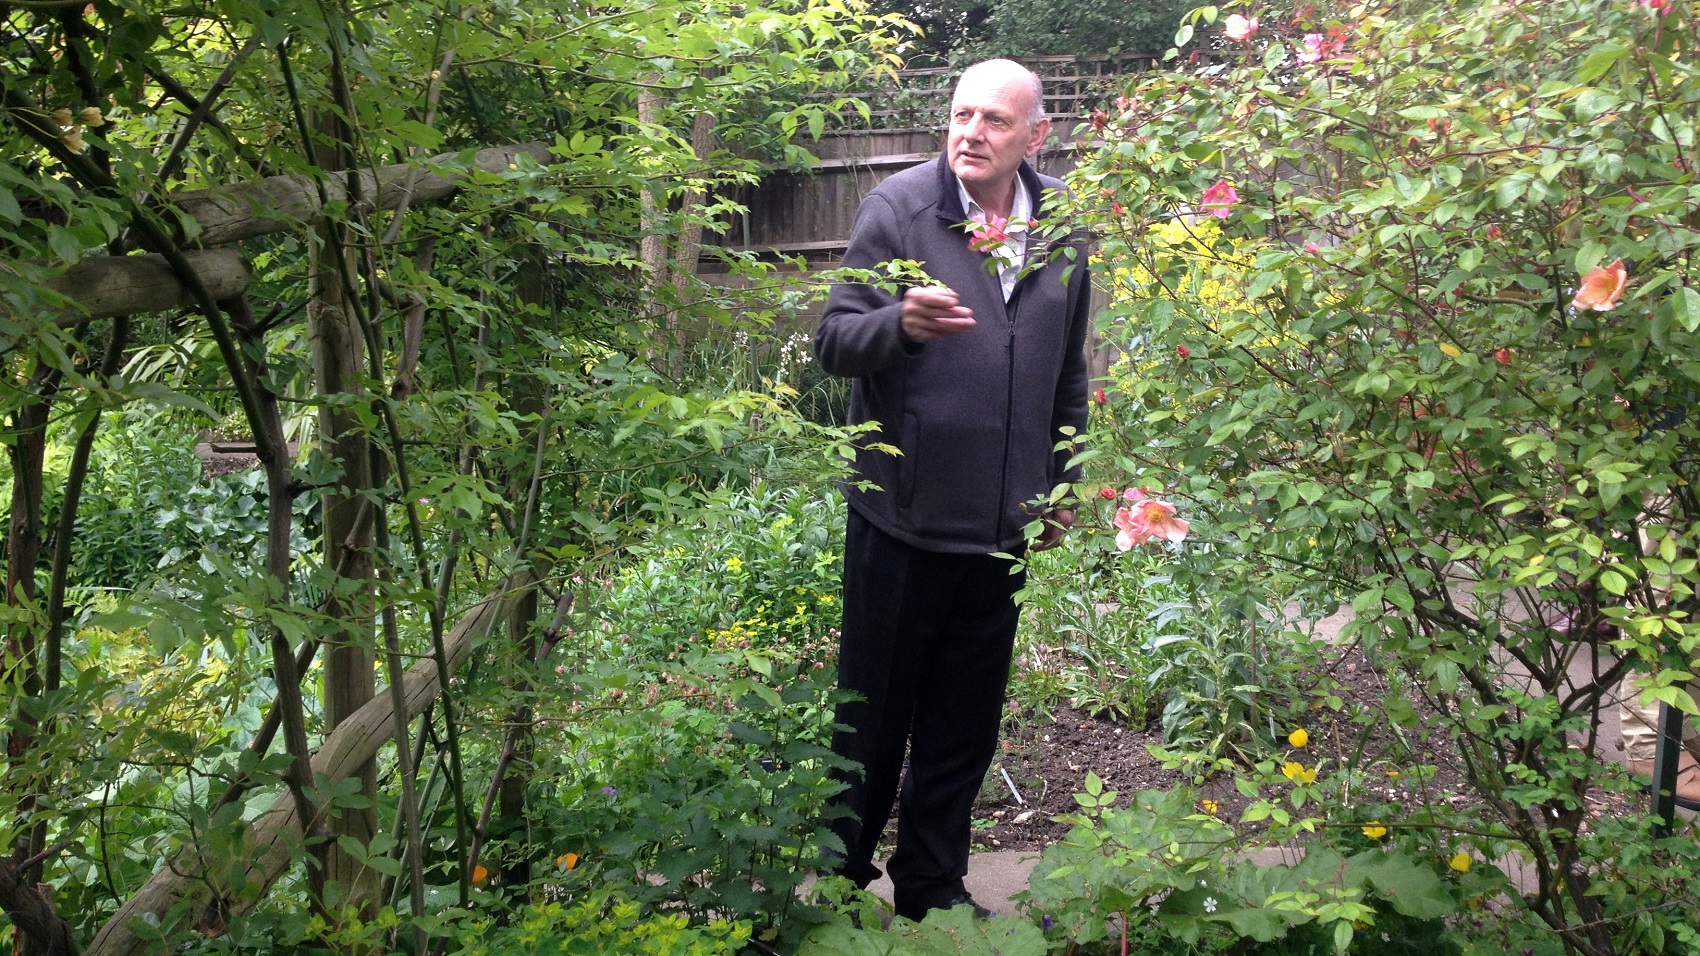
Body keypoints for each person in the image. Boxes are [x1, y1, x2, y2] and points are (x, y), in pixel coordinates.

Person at [813, 58, 1091, 921]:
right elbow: (834, 339)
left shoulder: (1064, 228)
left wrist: (1060, 487)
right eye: (961, 115)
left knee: (962, 727)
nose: (970, 132)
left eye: (993, 121)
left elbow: (1066, 375)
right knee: (873, 719)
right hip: (902, 517)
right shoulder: (901, 209)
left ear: (1035, 137)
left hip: (1000, 527)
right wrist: (897, 324)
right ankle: (836, 893)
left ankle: (932, 890)